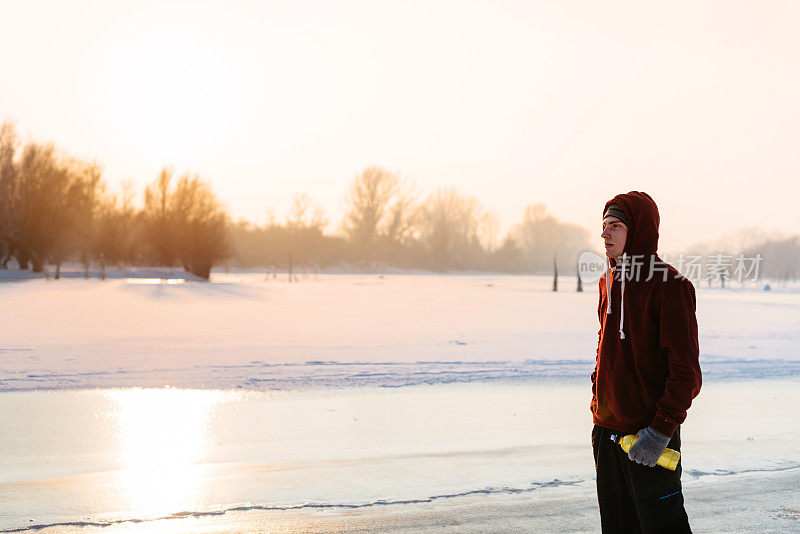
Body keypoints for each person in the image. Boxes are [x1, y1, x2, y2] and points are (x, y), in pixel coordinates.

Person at [591, 191, 702, 534]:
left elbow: (686, 373)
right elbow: (605, 346)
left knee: (662, 527)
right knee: (617, 526)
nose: (605, 234)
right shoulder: (606, 282)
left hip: (648, 436)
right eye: (603, 226)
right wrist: (598, 392)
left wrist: (660, 431)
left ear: (639, 230)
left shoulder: (670, 286)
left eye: (615, 226)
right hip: (606, 432)